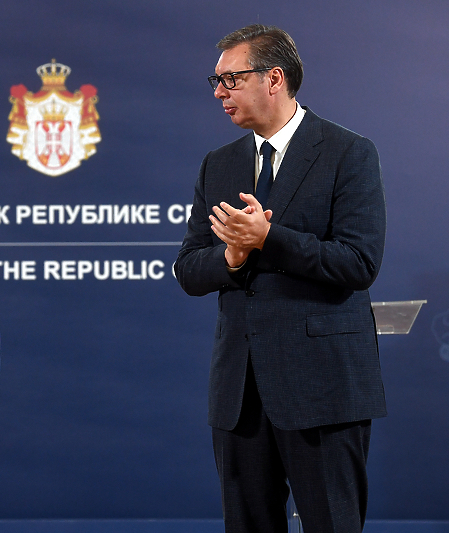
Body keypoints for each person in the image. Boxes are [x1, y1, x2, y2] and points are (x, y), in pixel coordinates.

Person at [175, 25, 386, 532]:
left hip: (323, 389)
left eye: (231, 78)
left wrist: (269, 238)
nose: (220, 92)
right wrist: (231, 256)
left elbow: (358, 262)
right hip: (240, 394)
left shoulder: (348, 152)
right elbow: (188, 268)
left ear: (275, 78)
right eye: (215, 81)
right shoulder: (218, 164)